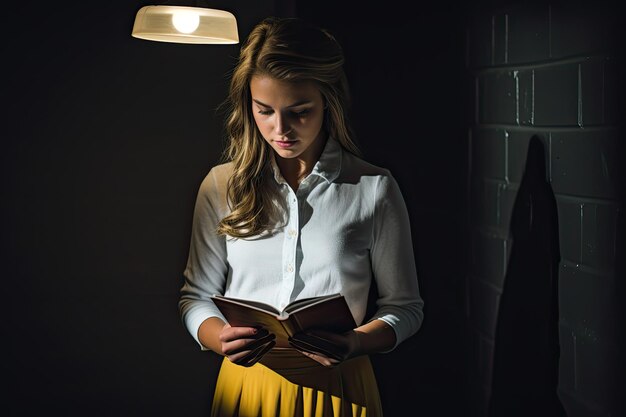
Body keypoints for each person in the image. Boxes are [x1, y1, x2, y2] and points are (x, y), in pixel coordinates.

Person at [179, 15, 424, 417]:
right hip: (246, 387)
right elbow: (195, 298)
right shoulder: (220, 185)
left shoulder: (373, 187)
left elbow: (407, 308)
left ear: (328, 101)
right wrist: (219, 335)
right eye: (265, 111)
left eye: (300, 111)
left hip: (341, 390)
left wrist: (356, 343)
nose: (281, 129)